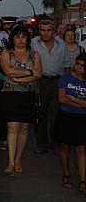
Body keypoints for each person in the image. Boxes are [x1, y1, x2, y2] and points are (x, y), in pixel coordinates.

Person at [0, 25, 42, 175]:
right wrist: (29, 72)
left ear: (27, 38)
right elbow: (8, 72)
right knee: (13, 127)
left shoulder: (35, 55)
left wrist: (18, 77)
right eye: (17, 37)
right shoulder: (7, 53)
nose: (20, 40)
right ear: (12, 39)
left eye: (23, 36)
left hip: (29, 94)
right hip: (11, 94)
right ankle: (10, 162)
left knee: (24, 128)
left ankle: (18, 160)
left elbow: (38, 75)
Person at [31, 19, 71, 154]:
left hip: (57, 81)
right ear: (39, 31)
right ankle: (41, 144)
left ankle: (55, 143)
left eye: (49, 30)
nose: (46, 33)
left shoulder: (61, 44)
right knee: (40, 113)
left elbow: (66, 65)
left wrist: (66, 84)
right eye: (43, 30)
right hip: (40, 80)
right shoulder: (34, 44)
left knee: (57, 114)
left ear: (53, 31)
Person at [57, 53, 86, 192]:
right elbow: (62, 99)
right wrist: (82, 104)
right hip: (66, 115)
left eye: (83, 66)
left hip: (82, 118)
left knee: (82, 149)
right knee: (65, 147)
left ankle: (82, 180)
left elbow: (69, 98)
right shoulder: (66, 78)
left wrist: (75, 99)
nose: (79, 68)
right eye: (78, 64)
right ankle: (66, 175)